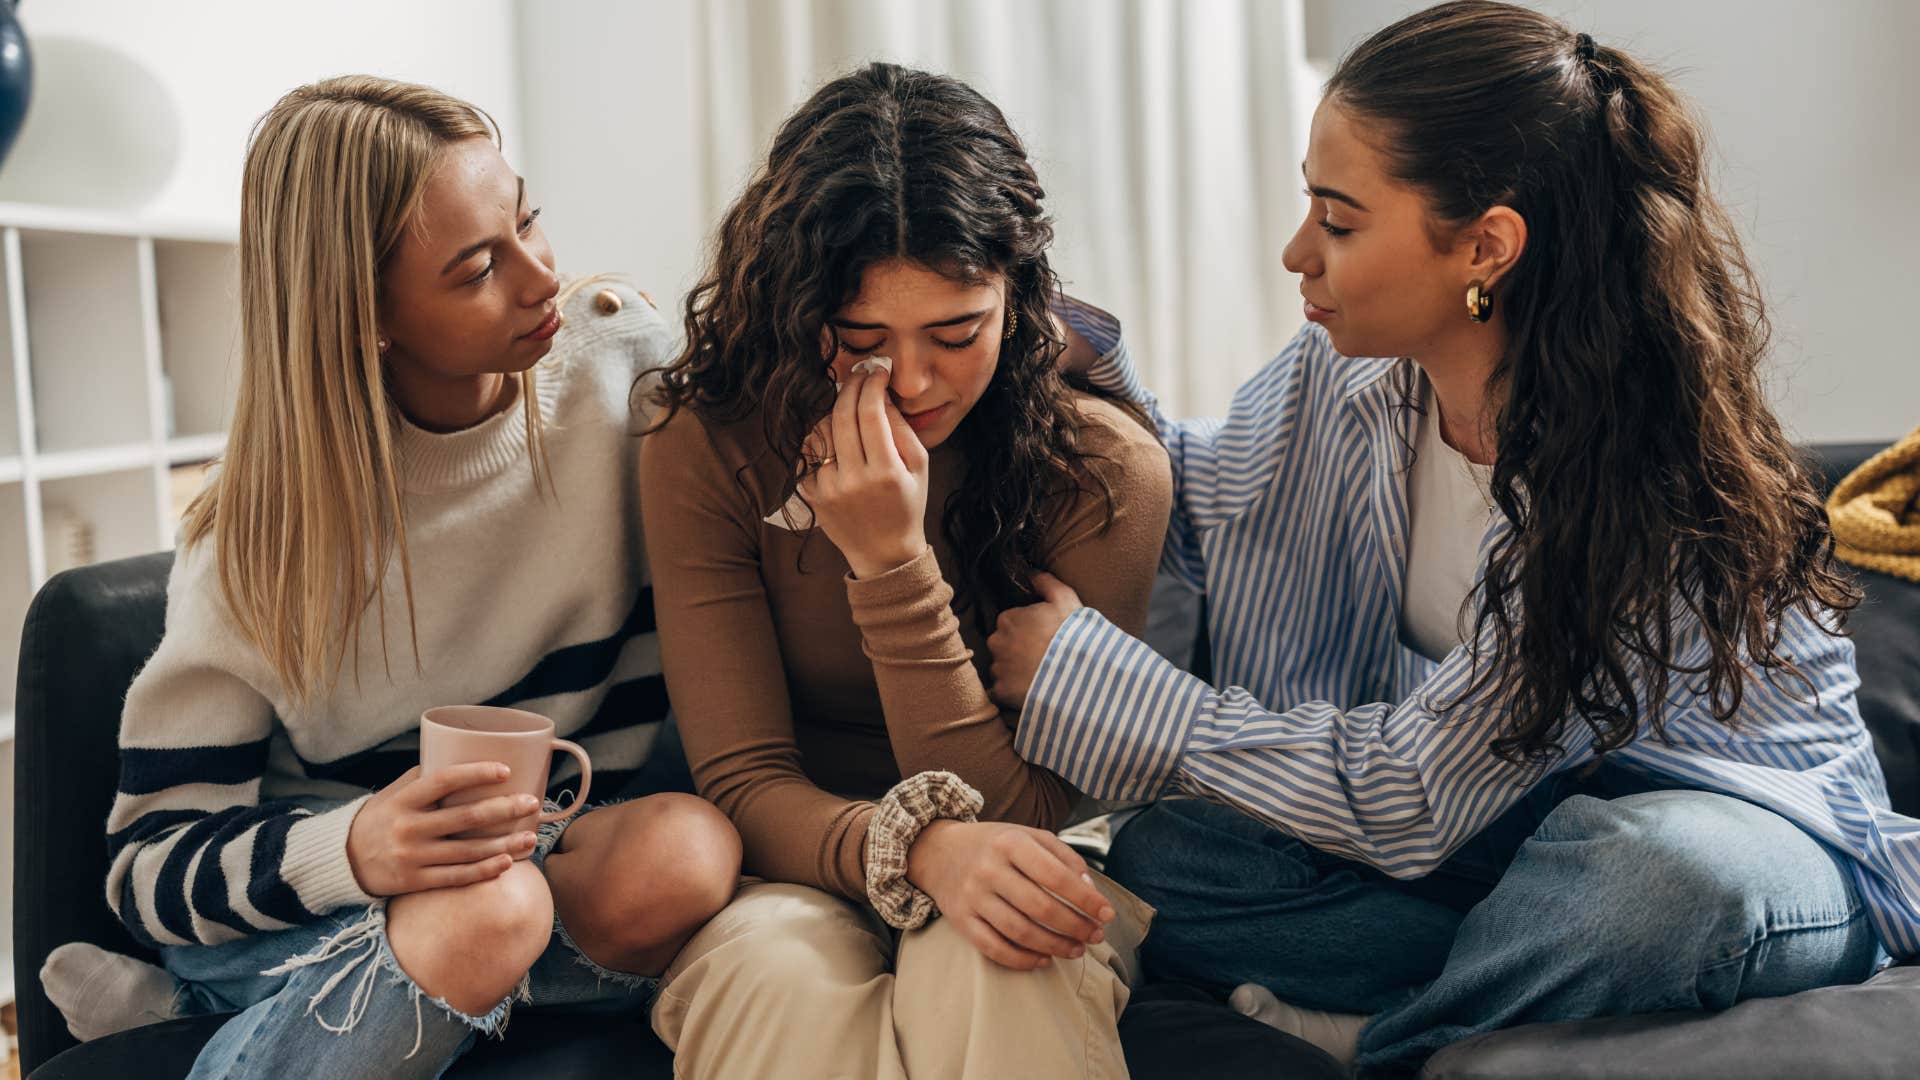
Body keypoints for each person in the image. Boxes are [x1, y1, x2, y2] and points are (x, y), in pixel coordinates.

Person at [986, 2, 1910, 1069]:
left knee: (1652, 884)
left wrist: (1091, 682)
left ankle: (1395, 1042)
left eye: (1338, 221)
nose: (1299, 253)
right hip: (1505, 839)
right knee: (1170, 855)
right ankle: (1490, 982)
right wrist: (1077, 361)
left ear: (1486, 246)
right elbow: (1205, 499)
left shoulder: (1631, 481)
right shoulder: (1344, 374)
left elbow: (1411, 798)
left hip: (1745, 842)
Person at [43, 75, 741, 1079]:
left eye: (528, 219)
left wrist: (1051, 346)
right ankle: (252, 1005)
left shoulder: (618, 369)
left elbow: (780, 413)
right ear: (365, 314)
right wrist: (359, 845)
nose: (541, 276)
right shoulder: (257, 537)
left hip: (536, 868)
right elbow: (150, 869)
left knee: (688, 851)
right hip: (316, 901)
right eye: (476, 270)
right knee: (493, 915)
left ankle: (227, 1018)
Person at [638, 62, 1172, 1080]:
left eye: (958, 333)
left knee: (1002, 955)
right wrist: (916, 845)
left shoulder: (1105, 474)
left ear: (1019, 297)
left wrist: (891, 563)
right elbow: (744, 781)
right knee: (776, 977)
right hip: (789, 871)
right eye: (861, 341)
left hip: (1029, 854)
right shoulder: (708, 440)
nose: (916, 381)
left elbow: (1024, 817)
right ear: (800, 310)